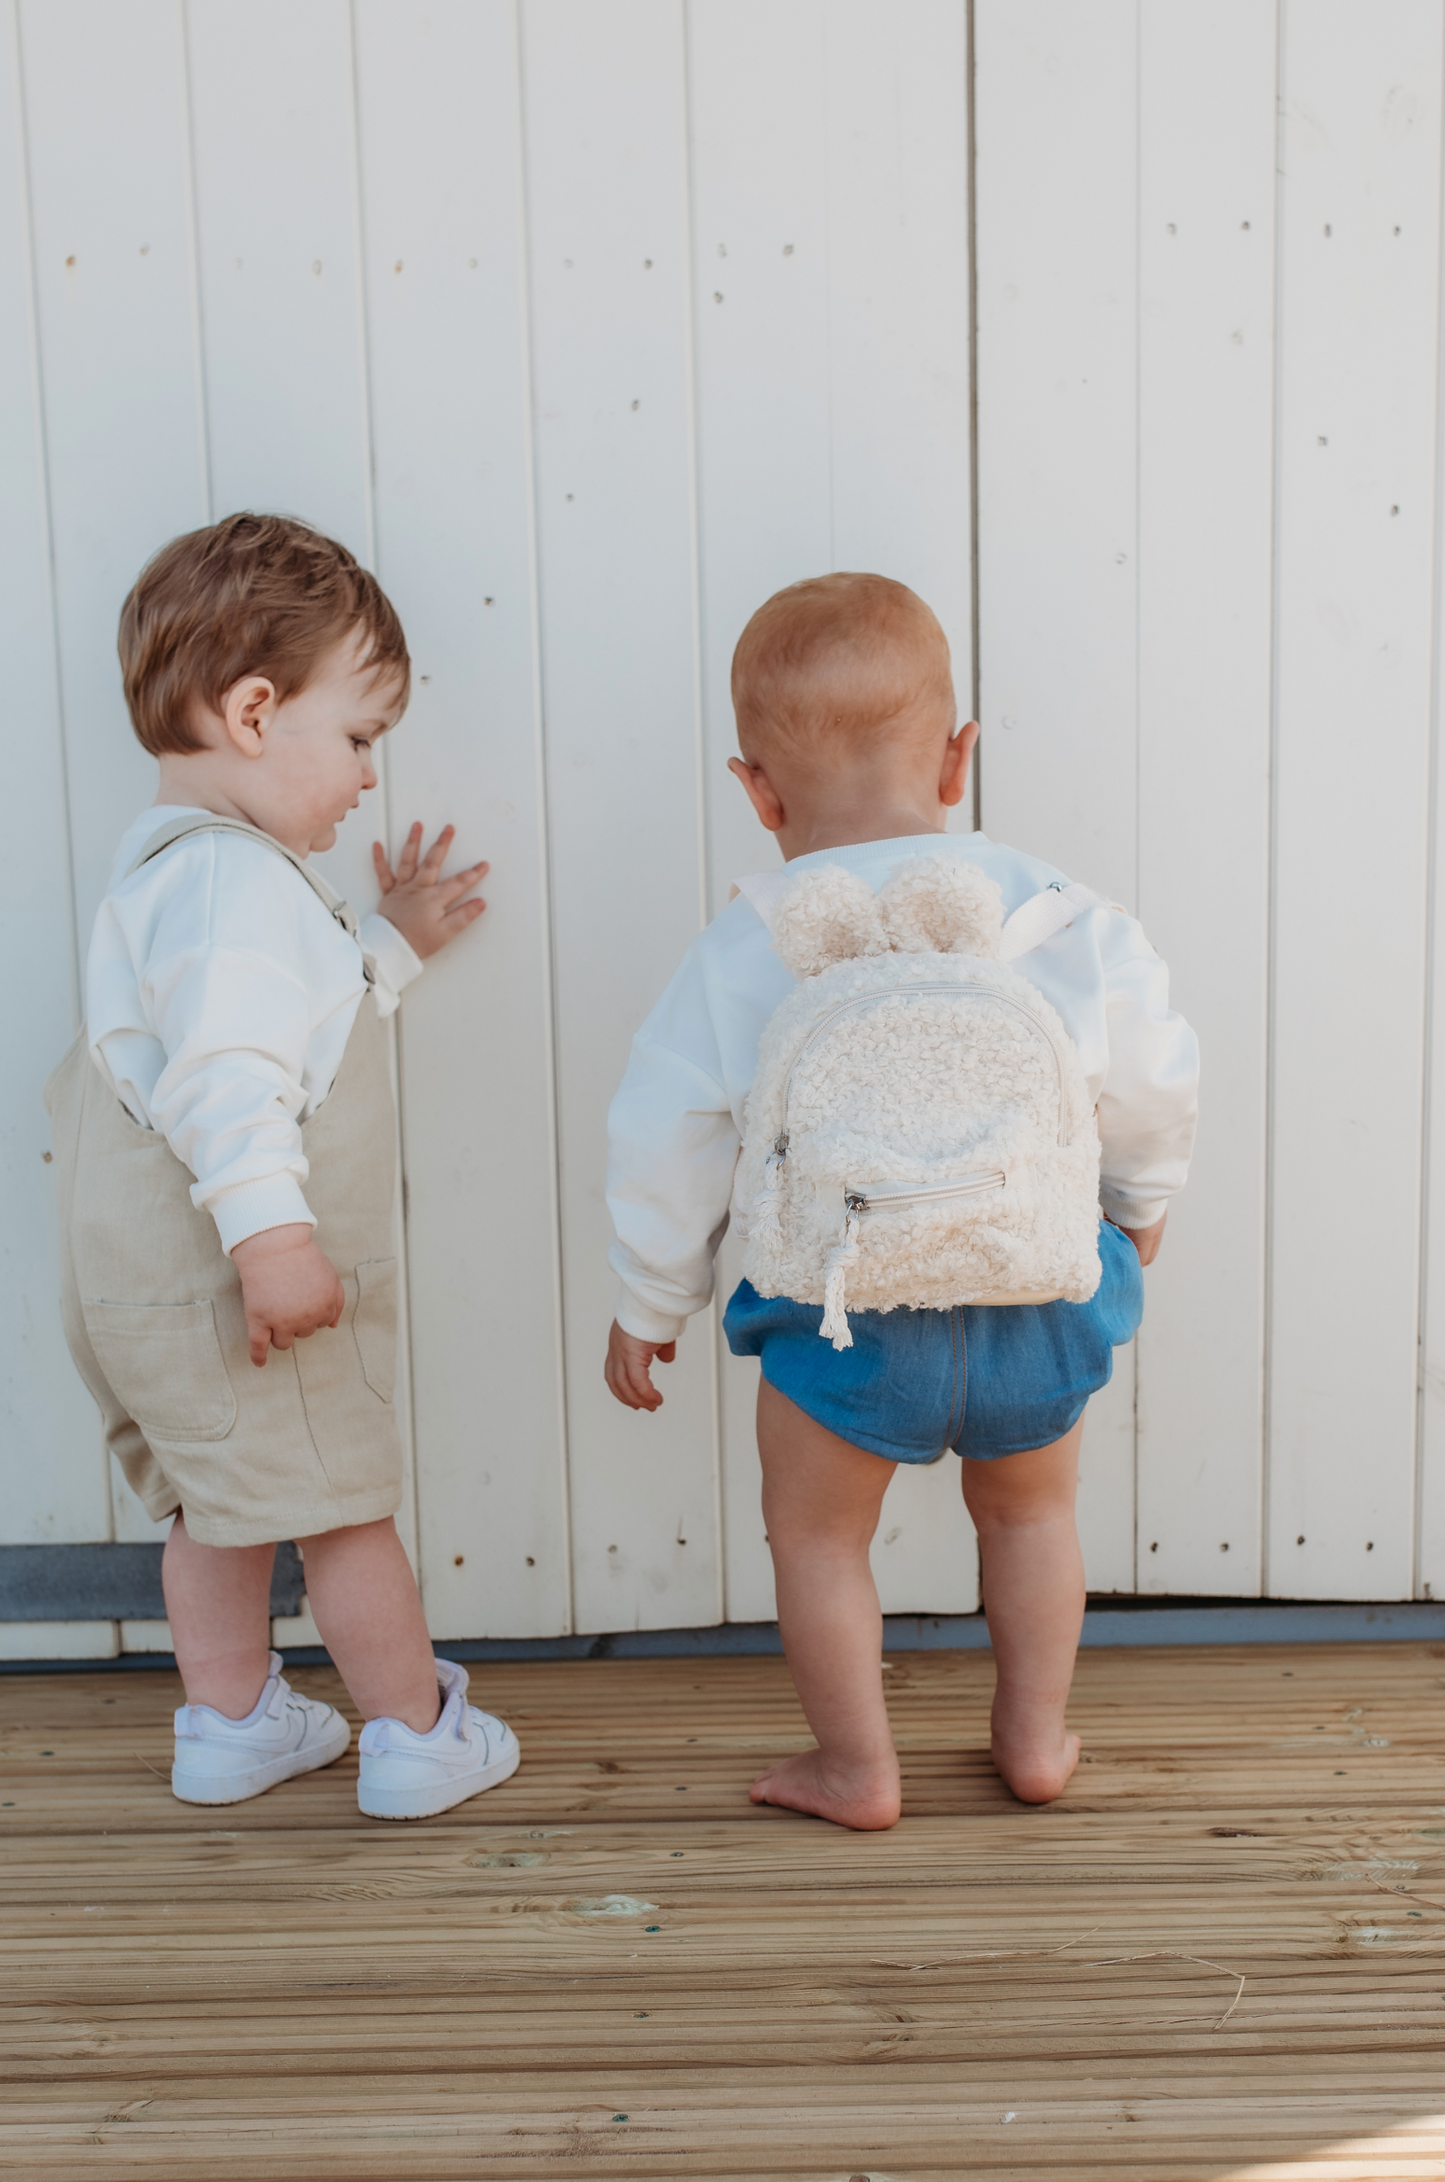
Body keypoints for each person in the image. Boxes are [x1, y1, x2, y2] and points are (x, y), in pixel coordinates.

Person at [603, 572, 1197, 1830]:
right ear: (958, 756)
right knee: (1031, 1515)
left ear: (754, 789)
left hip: (838, 1309)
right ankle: (1032, 1740)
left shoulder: (744, 946)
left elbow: (666, 1135)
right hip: (1035, 1285)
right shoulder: (1062, 916)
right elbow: (1151, 1077)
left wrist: (649, 1300)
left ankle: (856, 1767)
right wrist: (1136, 1206)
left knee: (818, 1542)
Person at [46, 513, 519, 1820]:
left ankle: (231, 1720)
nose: (368, 774)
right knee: (343, 1507)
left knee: (218, 1502)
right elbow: (232, 1081)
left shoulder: (171, 884)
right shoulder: (237, 892)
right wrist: (273, 1243)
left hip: (144, 1297)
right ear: (253, 712)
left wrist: (390, 943)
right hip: (243, 1289)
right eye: (359, 736)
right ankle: (419, 1734)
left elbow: (264, 1017)